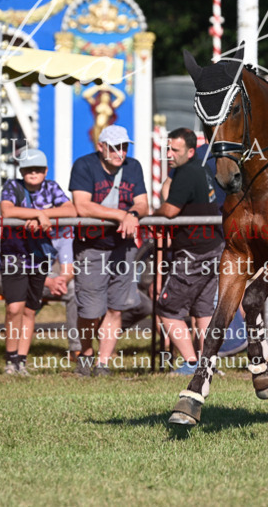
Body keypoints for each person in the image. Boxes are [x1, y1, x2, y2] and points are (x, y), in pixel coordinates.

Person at [69, 124, 148, 376]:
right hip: (91, 247)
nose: (120, 152)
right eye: (114, 147)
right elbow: (82, 206)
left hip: (123, 248)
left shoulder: (133, 167)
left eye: (124, 146)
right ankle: (85, 352)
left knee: (116, 307)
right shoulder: (83, 165)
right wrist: (122, 215)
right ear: (100, 147)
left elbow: (143, 203)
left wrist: (134, 214)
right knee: (91, 310)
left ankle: (102, 363)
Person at [0, 148, 76, 376]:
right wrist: (36, 215)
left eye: (38, 169)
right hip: (14, 254)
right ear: (21, 171)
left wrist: (42, 214)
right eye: (28, 169)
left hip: (40, 256)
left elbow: (70, 209)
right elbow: (7, 209)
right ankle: (10, 358)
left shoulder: (51, 187)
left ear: (45, 171)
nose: (33, 173)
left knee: (31, 309)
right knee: (14, 307)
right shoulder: (13, 186)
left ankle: (21, 360)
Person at [155, 128, 223, 375]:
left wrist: (150, 215)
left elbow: (171, 210)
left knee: (167, 309)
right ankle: (208, 365)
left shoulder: (186, 172)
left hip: (195, 253)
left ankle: (193, 364)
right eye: (168, 149)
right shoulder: (202, 169)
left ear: (191, 151)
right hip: (214, 248)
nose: (169, 154)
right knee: (203, 311)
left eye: (175, 150)